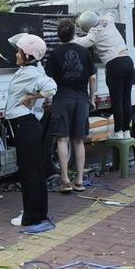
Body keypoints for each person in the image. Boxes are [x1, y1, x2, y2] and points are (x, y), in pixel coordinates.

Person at [3, 33, 57, 233]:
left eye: (19, 52)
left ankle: (31, 216)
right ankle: (36, 212)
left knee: (29, 172)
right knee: (34, 170)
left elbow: (52, 88)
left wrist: (31, 97)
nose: (16, 55)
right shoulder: (30, 69)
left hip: (26, 126)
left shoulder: (32, 73)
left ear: (29, 55)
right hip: (26, 126)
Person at [44, 18, 96, 193]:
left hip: (61, 99)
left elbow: (48, 81)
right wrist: (92, 98)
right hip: (81, 99)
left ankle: (65, 180)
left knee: (62, 139)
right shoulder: (84, 52)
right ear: (74, 33)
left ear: (58, 35)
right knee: (79, 140)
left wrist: (47, 101)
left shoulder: (54, 54)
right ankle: (79, 180)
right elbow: (93, 77)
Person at [75, 10, 135, 139]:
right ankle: (126, 131)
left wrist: (72, 39)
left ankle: (118, 132)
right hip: (128, 61)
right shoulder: (108, 20)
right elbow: (111, 13)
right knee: (127, 99)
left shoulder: (94, 32)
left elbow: (85, 42)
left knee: (117, 100)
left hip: (115, 64)